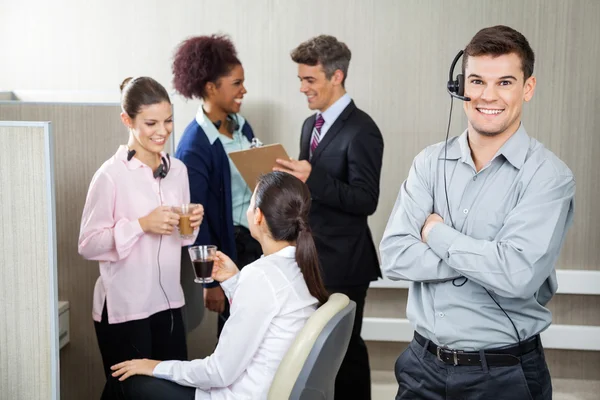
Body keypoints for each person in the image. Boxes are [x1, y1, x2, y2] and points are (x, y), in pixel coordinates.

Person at [379, 25, 575, 400]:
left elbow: (517, 276)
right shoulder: (428, 163)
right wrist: (489, 258)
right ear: (460, 87)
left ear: (527, 88)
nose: (488, 95)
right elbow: (394, 256)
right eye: (476, 81)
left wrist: (436, 235)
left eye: (504, 82)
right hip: (422, 367)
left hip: (505, 375)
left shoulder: (549, 177)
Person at [109, 171, 329, 400]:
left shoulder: (262, 276)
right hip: (261, 387)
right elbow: (266, 317)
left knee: (123, 383)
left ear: (258, 217)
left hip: (239, 395)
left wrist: (155, 366)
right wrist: (236, 280)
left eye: (251, 203)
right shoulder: (298, 267)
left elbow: (218, 373)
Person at [78, 76, 204, 399]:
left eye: (168, 120)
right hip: (125, 308)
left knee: (173, 391)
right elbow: (88, 244)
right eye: (151, 123)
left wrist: (191, 224)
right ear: (127, 120)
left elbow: (184, 242)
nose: (162, 131)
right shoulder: (110, 175)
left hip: (170, 304)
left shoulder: (178, 171)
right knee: (130, 393)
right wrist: (141, 224)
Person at [274, 35, 384, 400]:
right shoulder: (311, 125)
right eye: (301, 80)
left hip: (347, 263)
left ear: (337, 76)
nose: (303, 88)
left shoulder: (363, 130)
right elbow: (314, 191)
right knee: (315, 354)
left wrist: (312, 177)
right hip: (313, 258)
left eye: (310, 80)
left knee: (346, 352)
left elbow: (366, 200)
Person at [172, 34, 262, 337]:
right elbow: (197, 220)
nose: (244, 90)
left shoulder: (240, 124)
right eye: (236, 83)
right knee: (237, 337)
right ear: (211, 88)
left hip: (255, 246)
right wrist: (210, 281)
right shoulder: (193, 147)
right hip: (230, 252)